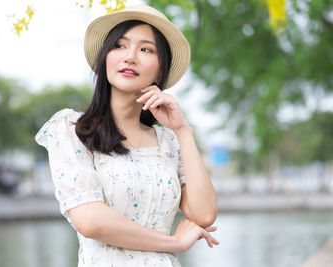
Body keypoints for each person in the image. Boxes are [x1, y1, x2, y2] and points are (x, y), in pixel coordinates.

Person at [35, 4, 219, 267]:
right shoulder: (71, 128)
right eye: (119, 46)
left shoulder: (168, 142)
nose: (130, 57)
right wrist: (174, 244)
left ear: (160, 70)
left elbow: (204, 214)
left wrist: (183, 130)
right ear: (105, 58)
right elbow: (91, 221)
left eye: (146, 49)